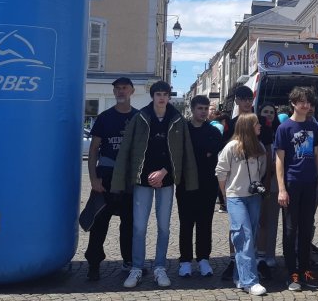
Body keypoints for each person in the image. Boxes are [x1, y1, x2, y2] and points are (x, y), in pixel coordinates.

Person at [112, 80, 198, 289]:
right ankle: (137, 267)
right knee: (139, 227)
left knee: (164, 227)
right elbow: (127, 150)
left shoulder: (177, 119)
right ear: (152, 96)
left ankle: (160, 267)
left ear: (169, 97)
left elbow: (183, 152)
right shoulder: (139, 117)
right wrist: (120, 180)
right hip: (141, 181)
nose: (161, 97)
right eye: (158, 94)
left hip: (166, 181)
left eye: (165, 94)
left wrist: (164, 172)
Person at [84, 77, 138, 281]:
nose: (120, 91)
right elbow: (94, 149)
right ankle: (94, 264)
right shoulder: (105, 117)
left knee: (129, 224)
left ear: (132, 91)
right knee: (99, 224)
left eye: (124, 88)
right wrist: (93, 179)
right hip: (105, 178)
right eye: (117, 89)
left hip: (129, 180)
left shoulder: (138, 117)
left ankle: (129, 261)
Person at [274, 86, 318, 292]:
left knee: (307, 228)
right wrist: (281, 189)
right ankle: (292, 273)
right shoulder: (284, 128)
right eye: (301, 101)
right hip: (291, 184)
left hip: (309, 183)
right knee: (290, 230)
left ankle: (305, 270)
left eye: (308, 101)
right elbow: (279, 160)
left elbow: (315, 154)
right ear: (293, 103)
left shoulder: (313, 126)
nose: (305, 105)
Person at [216, 113, 268, 296]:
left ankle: (240, 275)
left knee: (249, 237)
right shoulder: (231, 147)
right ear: (248, 126)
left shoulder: (259, 147)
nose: (260, 126)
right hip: (235, 197)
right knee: (243, 235)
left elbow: (261, 171)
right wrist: (225, 195)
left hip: (253, 197)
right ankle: (250, 281)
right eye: (256, 123)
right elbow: (221, 173)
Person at [176, 95, 224, 278]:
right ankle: (185, 261)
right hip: (185, 184)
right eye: (200, 108)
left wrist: (206, 151)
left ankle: (204, 259)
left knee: (205, 223)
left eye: (206, 109)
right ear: (192, 109)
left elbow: (215, 149)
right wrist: (206, 151)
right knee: (186, 223)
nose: (203, 112)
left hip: (208, 184)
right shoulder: (183, 130)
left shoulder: (213, 131)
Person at [255, 102, 280, 279]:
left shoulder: (279, 130)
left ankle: (269, 254)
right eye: (265, 112)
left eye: (272, 112)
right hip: (258, 180)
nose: (269, 115)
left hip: (275, 181)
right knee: (258, 220)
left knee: (272, 219)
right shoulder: (255, 131)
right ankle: (257, 253)